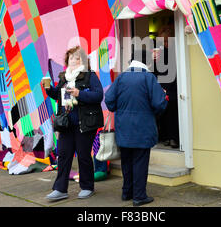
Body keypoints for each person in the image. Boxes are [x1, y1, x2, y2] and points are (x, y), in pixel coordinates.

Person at [105, 49, 168, 206]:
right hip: (143, 129)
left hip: (123, 128)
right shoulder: (149, 77)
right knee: (140, 162)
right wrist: (163, 96)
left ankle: (127, 192)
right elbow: (159, 104)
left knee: (126, 162)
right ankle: (139, 196)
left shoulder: (121, 78)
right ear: (147, 62)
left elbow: (109, 101)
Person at [44, 46, 104, 201]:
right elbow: (58, 95)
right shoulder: (64, 77)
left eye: (77, 58)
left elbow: (98, 95)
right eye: (71, 58)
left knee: (84, 155)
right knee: (63, 156)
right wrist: (48, 88)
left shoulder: (90, 76)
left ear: (83, 60)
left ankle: (87, 187)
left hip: (85, 123)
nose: (73, 61)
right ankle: (60, 189)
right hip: (66, 124)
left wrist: (80, 93)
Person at [153, 25, 179, 148]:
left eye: (168, 41)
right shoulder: (157, 52)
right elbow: (154, 71)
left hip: (173, 85)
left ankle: (173, 137)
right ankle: (165, 137)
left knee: (172, 111)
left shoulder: (177, 50)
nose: (166, 43)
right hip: (160, 85)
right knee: (162, 112)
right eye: (163, 41)